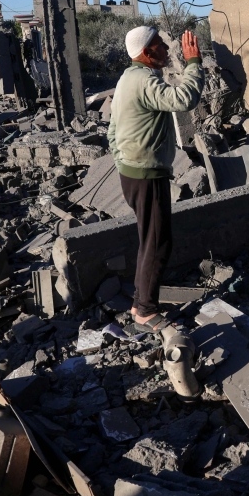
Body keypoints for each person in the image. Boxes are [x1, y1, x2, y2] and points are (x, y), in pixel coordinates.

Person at [108, 27, 203, 333]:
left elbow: (112, 130)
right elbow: (184, 98)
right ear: (147, 53)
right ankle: (146, 312)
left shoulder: (128, 78)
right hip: (146, 175)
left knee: (150, 240)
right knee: (158, 243)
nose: (166, 49)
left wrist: (123, 161)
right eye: (160, 45)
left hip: (134, 172)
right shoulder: (144, 81)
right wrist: (193, 62)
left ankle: (140, 303)